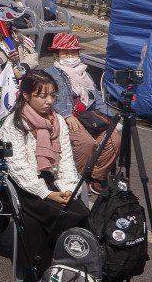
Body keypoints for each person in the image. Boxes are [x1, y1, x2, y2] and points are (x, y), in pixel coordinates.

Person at [0, 71, 92, 277]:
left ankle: (75, 266)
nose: (49, 101)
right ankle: (60, 267)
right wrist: (48, 194)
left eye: (52, 95)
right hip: (26, 186)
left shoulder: (57, 120)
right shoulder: (14, 123)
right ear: (26, 95)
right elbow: (18, 167)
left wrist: (69, 189)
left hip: (53, 180)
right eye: (42, 96)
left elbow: (66, 159)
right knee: (68, 215)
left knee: (78, 210)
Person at [44, 34, 119, 192]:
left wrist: (111, 120)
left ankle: (96, 176)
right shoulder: (50, 73)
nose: (70, 57)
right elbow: (51, 98)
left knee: (114, 140)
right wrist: (67, 115)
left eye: (73, 53)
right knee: (86, 143)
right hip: (69, 118)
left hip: (90, 117)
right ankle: (78, 178)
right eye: (65, 53)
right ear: (56, 55)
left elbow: (97, 99)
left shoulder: (86, 74)